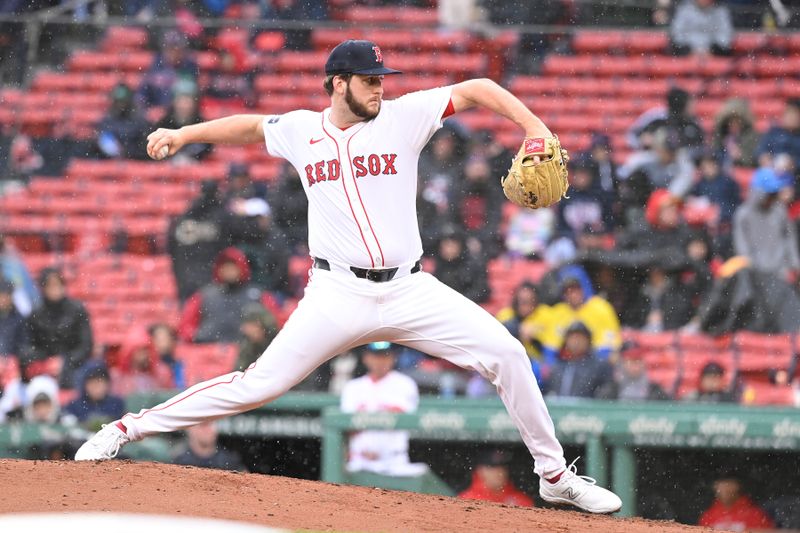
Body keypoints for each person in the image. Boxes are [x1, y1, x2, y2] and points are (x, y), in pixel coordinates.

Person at [76, 39, 621, 514]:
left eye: (382, 79)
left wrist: (535, 127)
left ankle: (555, 478)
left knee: (506, 354)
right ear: (338, 84)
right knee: (257, 385)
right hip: (337, 291)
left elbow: (477, 87)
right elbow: (248, 126)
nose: (380, 89)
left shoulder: (404, 116)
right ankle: (125, 428)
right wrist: (185, 133)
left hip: (408, 287)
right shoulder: (299, 130)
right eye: (369, 80)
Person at [340, 341, 426, 476]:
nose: (380, 361)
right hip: (360, 462)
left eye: (385, 355)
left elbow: (405, 419)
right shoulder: (352, 387)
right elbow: (346, 427)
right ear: (365, 358)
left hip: (395, 463)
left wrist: (365, 418)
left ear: (393, 357)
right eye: (376, 356)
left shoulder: (405, 384)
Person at [178, 247, 281, 343]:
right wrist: (197, 336)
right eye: (225, 268)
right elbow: (185, 327)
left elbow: (275, 324)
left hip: (247, 351)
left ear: (242, 268)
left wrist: (262, 333)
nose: (229, 272)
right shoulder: (205, 295)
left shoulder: (258, 295)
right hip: (209, 351)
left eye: (233, 268)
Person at [23, 268, 93, 388]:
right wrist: (46, 362)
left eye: (57, 284)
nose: (54, 289)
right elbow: (28, 345)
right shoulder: (35, 314)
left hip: (74, 365)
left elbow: (86, 345)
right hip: (43, 367)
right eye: (50, 285)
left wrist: (65, 361)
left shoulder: (77, 310)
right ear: (43, 288)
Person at [167, 180, 233, 302]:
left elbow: (171, 249)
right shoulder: (221, 217)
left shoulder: (184, 217)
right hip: (210, 281)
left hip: (186, 279)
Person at [733, 167, 799, 279]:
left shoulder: (780, 211)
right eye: (769, 194)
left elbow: (789, 238)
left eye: (773, 194)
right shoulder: (743, 215)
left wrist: (795, 264)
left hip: (781, 272)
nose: (771, 199)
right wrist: (751, 269)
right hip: (756, 274)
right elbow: (742, 246)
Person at [546, 322, 614, 399]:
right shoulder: (558, 365)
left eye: (580, 338)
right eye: (572, 338)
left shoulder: (600, 365)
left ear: (588, 340)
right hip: (560, 410)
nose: (576, 342)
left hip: (586, 410)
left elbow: (606, 392)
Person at [111, 327, 175, 397]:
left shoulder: (162, 372)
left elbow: (169, 397)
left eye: (145, 350)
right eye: (139, 351)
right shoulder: (118, 376)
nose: (144, 355)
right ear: (130, 353)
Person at [459, 449, 534, 507]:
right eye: (493, 467)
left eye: (502, 466)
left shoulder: (520, 500)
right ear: (480, 471)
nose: (499, 471)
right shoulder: (466, 500)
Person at [698, 474, 774, 530]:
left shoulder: (755, 514)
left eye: (728, 486)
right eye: (721, 487)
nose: (724, 490)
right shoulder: (708, 516)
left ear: (737, 486)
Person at [63, 363, 125, 429]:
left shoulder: (116, 404)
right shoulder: (75, 406)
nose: (96, 387)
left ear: (107, 384)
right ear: (85, 385)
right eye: (92, 383)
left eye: (99, 382)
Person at [601, 344, 671, 401]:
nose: (635, 366)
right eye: (631, 362)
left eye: (638, 361)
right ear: (622, 364)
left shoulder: (656, 391)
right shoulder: (610, 390)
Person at [173, 420, 246, 471]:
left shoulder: (229, 460)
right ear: (190, 429)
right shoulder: (179, 459)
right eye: (203, 425)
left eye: (210, 425)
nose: (207, 430)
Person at [756, 98, 800, 170]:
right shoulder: (774, 132)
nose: (790, 117)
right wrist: (763, 157)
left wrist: (793, 163)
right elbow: (760, 150)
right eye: (788, 113)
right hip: (771, 170)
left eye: (794, 114)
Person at [235, 303, 278, 371]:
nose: (244, 329)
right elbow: (239, 371)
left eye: (250, 325)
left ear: (260, 325)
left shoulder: (279, 344)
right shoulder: (248, 346)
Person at [0, 278, 26, 359]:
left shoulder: (19, 319)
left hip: (12, 364)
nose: (3, 299)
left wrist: (11, 359)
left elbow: (23, 346)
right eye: (1, 295)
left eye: (6, 295)